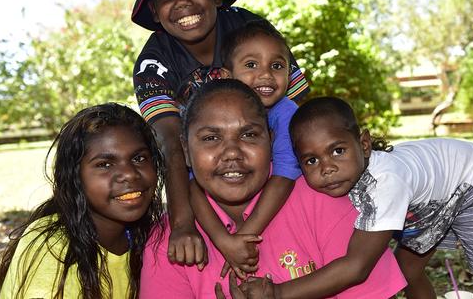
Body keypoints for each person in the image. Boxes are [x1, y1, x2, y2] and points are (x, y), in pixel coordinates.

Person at [130, 0, 309, 270]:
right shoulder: (154, 63)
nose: (182, 3)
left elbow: (295, 102)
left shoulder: (248, 29)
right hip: (201, 166)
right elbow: (173, 145)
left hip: (268, 151)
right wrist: (183, 226)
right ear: (154, 11)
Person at [139, 79, 406, 298]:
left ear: (272, 141)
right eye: (211, 138)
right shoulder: (170, 244)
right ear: (186, 151)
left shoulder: (322, 198)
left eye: (248, 135)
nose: (232, 153)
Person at [279, 96, 473, 299]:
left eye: (337, 150)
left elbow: (357, 267)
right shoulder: (348, 175)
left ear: (364, 144)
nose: (327, 168)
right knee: (406, 269)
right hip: (433, 195)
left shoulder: (385, 184)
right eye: (312, 160)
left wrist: (276, 294)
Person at [0, 103, 166, 299]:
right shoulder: (51, 245)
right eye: (105, 164)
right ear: (75, 177)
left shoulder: (149, 238)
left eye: (139, 158)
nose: (129, 174)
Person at [189, 20, 302, 278]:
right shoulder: (209, 111)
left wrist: (244, 236)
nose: (265, 75)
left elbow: (285, 175)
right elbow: (192, 184)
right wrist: (223, 240)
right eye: (252, 65)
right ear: (227, 76)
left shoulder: (286, 113)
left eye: (277, 66)